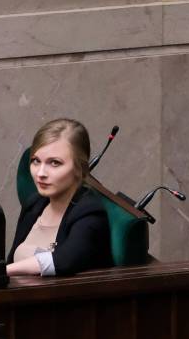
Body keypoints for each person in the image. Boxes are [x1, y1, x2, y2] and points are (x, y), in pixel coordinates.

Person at [7, 118, 113, 276]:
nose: (41, 173)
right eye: (36, 161)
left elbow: (65, 261)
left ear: (79, 168)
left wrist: (1, 273)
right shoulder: (34, 204)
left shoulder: (90, 212)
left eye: (55, 163)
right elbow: (11, 259)